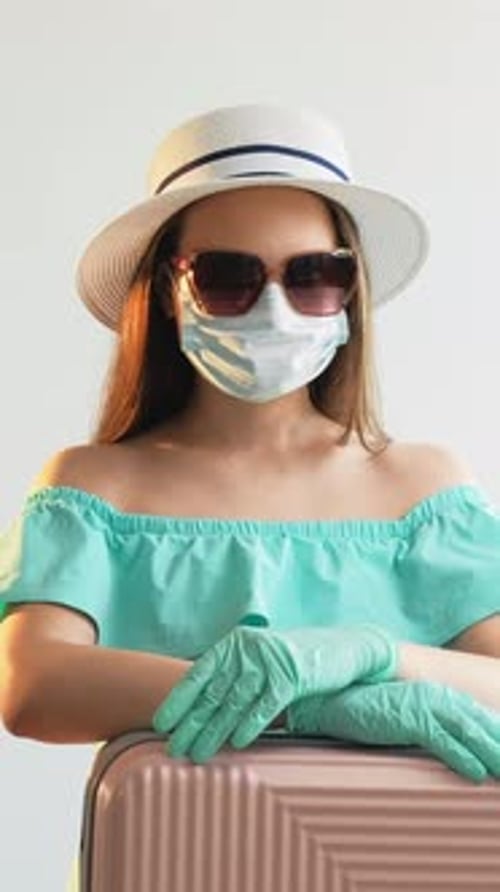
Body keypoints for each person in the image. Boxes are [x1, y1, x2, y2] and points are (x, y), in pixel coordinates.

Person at [2, 102, 500, 794]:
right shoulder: (96, 488)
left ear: (350, 290)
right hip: (171, 857)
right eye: (227, 276)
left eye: (313, 274)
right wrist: (307, 705)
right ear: (170, 293)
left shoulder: (421, 488)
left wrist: (371, 656)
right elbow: (34, 684)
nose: (275, 308)